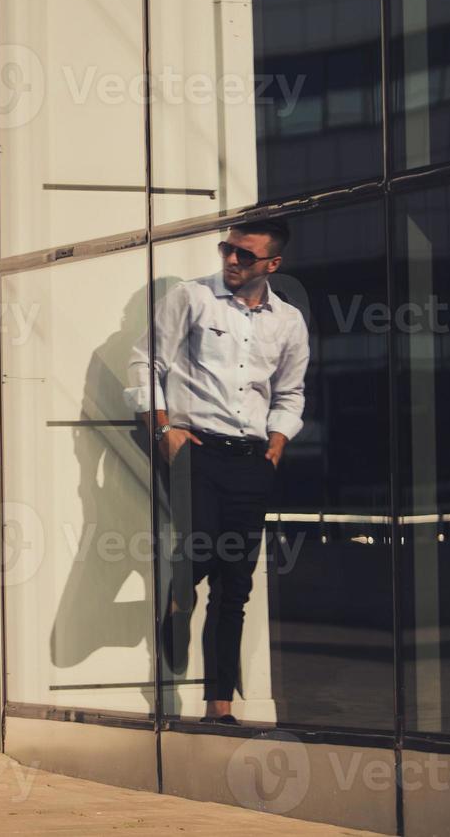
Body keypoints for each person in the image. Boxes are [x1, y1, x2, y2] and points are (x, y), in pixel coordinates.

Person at [127, 218, 308, 724]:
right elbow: (145, 363)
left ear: (272, 264)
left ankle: (219, 706)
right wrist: (163, 430)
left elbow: (291, 393)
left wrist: (276, 444)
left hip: (253, 459)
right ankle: (178, 599)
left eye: (245, 255)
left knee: (237, 585)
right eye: (228, 249)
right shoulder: (192, 298)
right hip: (196, 450)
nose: (231, 260)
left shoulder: (288, 321)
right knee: (202, 543)